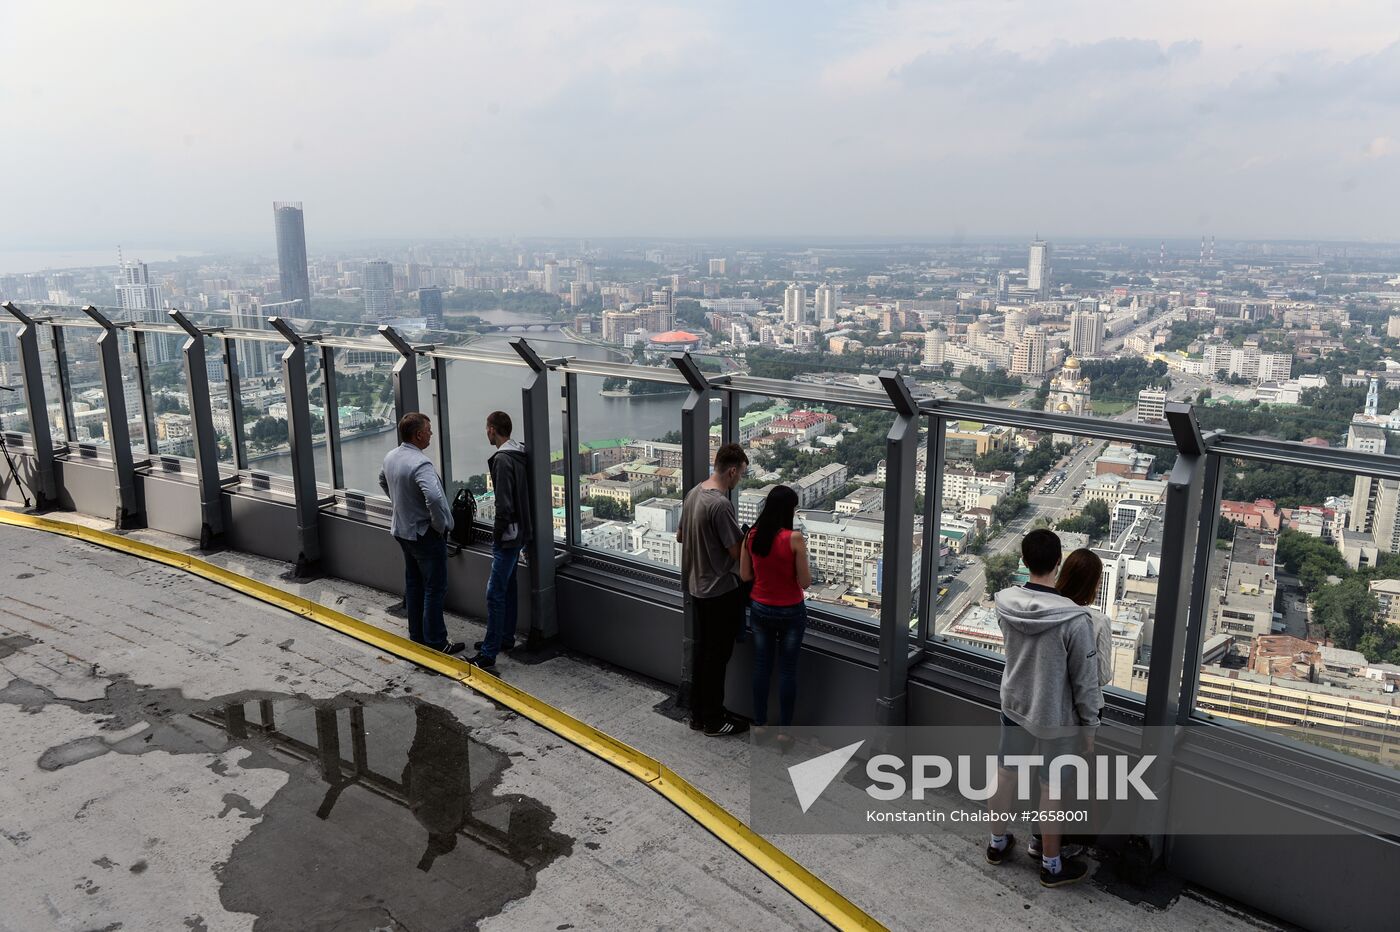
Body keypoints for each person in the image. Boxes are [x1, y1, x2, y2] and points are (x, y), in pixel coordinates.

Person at [984, 528, 1102, 888]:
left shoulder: (1004, 601)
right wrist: (1090, 727)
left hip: (1015, 704)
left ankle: (997, 843)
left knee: (1005, 774)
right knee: (1052, 789)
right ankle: (1051, 866)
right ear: (1057, 562)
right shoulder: (1074, 620)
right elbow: (1085, 682)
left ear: (1023, 561)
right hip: (1056, 717)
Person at [677, 442, 750, 737]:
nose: (740, 480)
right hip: (720, 589)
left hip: (697, 585)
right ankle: (713, 719)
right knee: (717, 658)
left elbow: (682, 535)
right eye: (741, 474)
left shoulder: (694, 493)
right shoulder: (720, 505)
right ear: (731, 471)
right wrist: (746, 537)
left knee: (703, 652)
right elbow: (735, 552)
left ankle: (698, 714)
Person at [379, 413, 462, 654]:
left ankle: (416, 635)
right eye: (428, 430)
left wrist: (400, 504)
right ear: (418, 435)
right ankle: (436, 641)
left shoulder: (391, 456)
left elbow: (382, 480)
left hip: (402, 530)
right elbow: (435, 498)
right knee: (435, 588)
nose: (431, 434)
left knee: (414, 583)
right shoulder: (420, 463)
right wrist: (439, 524)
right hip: (424, 533)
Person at [738, 484, 811, 738]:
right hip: (790, 611)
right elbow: (805, 582)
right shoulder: (794, 539)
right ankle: (784, 731)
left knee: (761, 667)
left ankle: (759, 724)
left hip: (760, 608)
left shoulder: (751, 536)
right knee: (787, 671)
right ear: (788, 510)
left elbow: (745, 574)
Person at [469, 411, 532, 670]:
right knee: (509, 586)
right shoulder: (519, 454)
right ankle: (504, 638)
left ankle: (489, 652)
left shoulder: (502, 460)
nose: (486, 433)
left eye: (487, 428)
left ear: (493, 430)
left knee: (494, 593)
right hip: (520, 532)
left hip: (508, 535)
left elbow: (504, 504)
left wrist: (497, 533)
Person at [1057, 548, 1113, 688]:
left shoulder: (1045, 609)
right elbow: (1102, 676)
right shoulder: (1099, 621)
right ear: (1094, 584)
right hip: (1082, 704)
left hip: (1044, 698)